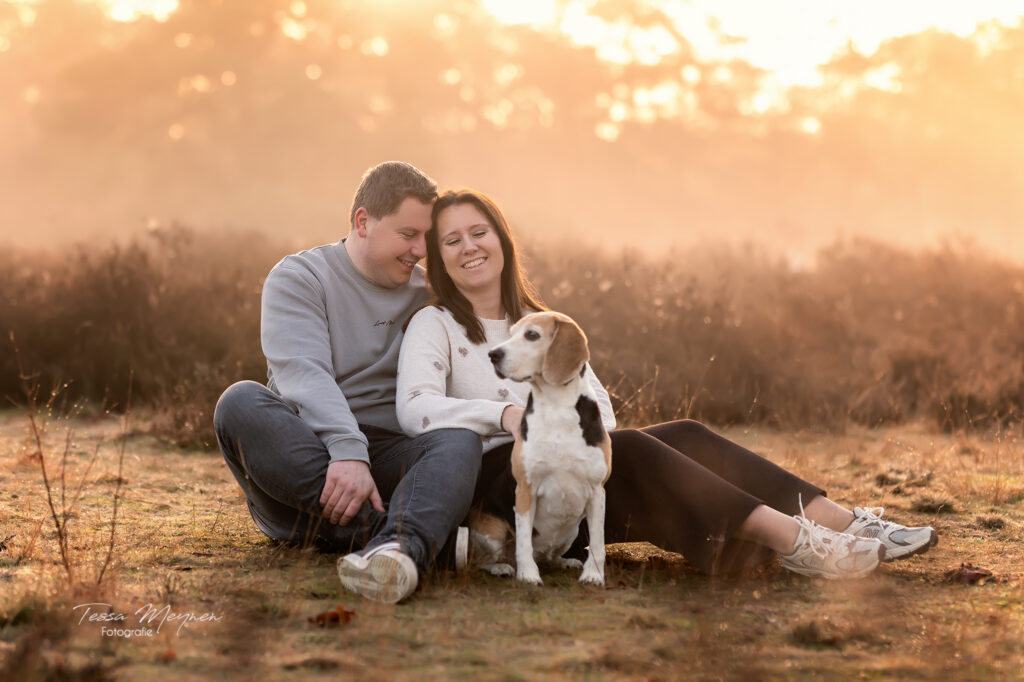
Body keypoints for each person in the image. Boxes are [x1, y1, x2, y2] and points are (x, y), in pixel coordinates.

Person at [396, 188, 938, 579]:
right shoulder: (435, 323)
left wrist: (571, 437)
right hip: (504, 490)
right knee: (631, 447)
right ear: (439, 258)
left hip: (571, 488)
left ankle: (849, 524)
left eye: (478, 232)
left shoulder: (540, 322)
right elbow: (415, 410)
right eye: (451, 240)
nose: (468, 246)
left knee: (685, 432)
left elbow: (599, 409)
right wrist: (508, 417)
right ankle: (801, 545)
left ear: (500, 240)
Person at [213, 162, 483, 605]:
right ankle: (414, 540)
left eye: (426, 238)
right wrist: (347, 450)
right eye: (407, 234)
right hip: (309, 468)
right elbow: (304, 374)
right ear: (363, 222)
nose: (419, 249)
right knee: (239, 402)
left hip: (391, 461)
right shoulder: (301, 278)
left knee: (459, 438)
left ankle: (395, 552)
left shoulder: (429, 294)